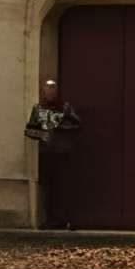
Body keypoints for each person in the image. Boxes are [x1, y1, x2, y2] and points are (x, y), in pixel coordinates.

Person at [25, 77, 80, 228]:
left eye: (53, 89)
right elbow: (29, 130)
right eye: (48, 89)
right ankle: (50, 219)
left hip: (62, 153)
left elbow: (77, 124)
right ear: (43, 91)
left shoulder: (65, 108)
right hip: (46, 153)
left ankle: (65, 219)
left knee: (63, 187)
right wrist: (43, 134)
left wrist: (61, 128)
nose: (50, 92)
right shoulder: (38, 109)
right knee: (47, 188)